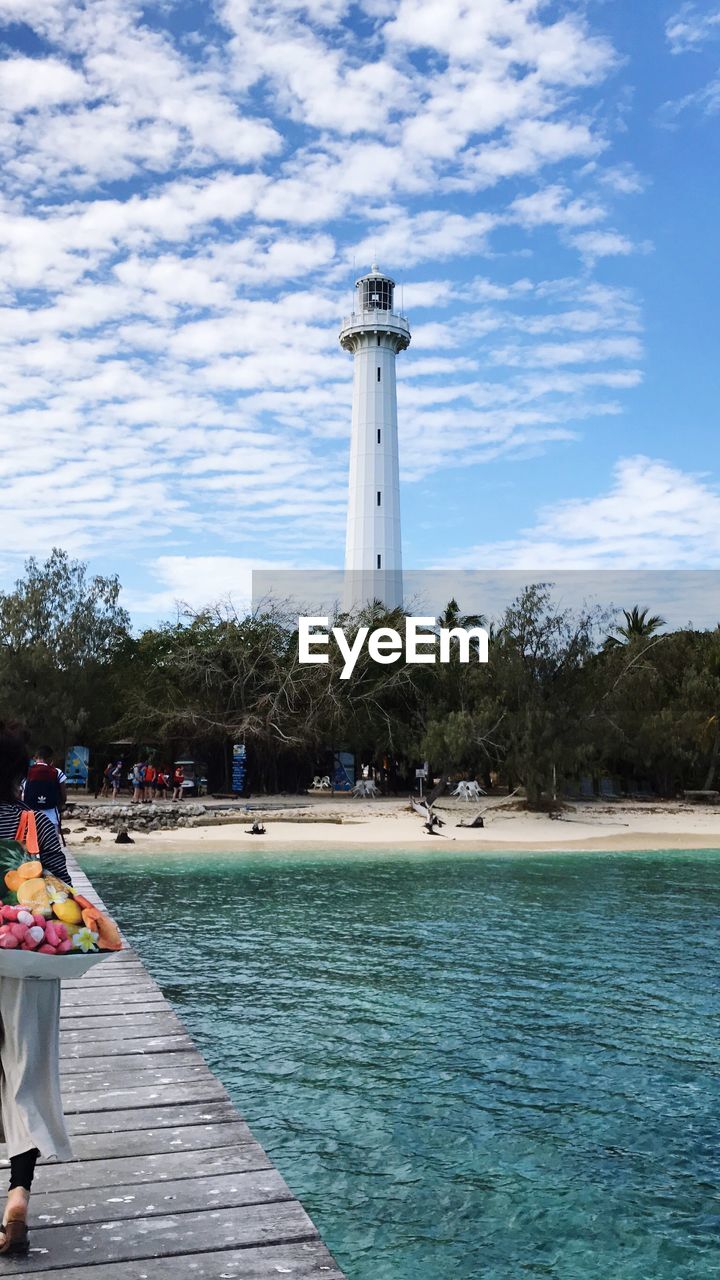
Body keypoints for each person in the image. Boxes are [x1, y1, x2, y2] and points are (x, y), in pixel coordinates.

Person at [0, 722, 73, 1255]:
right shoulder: (34, 824)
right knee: (28, 1075)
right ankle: (18, 1193)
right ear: (21, 776)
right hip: (30, 960)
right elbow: (63, 896)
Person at [23, 747, 66, 833]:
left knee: (32, 845)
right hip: (51, 819)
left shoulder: (26, 772)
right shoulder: (57, 772)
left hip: (31, 818)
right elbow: (64, 797)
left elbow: (20, 796)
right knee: (52, 845)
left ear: (35, 758)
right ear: (50, 759)